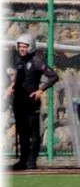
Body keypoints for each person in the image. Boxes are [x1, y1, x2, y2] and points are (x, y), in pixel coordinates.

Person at [8, 33, 58, 171]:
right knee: (22, 133)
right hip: (19, 102)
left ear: (31, 47)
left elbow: (53, 76)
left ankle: (31, 161)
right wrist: (12, 87)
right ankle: (23, 161)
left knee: (33, 133)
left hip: (31, 103)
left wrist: (41, 89)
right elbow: (19, 79)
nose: (22, 49)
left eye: (24, 46)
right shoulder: (19, 61)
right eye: (20, 46)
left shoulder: (37, 61)